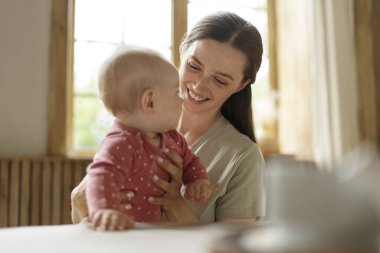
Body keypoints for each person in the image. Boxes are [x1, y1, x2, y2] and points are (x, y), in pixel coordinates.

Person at [71, 11, 266, 224]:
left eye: (219, 80)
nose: (199, 86)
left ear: (241, 85)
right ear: (183, 50)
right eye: (194, 66)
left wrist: (175, 204)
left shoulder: (243, 157)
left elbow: (235, 247)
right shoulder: (136, 126)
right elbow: (88, 221)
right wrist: (80, 202)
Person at [84, 46, 217, 231]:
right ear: (150, 102)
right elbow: (101, 175)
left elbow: (191, 162)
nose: (182, 100)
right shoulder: (122, 143)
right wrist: (105, 210)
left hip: (152, 232)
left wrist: (198, 181)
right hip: (122, 232)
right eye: (177, 93)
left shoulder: (173, 138)